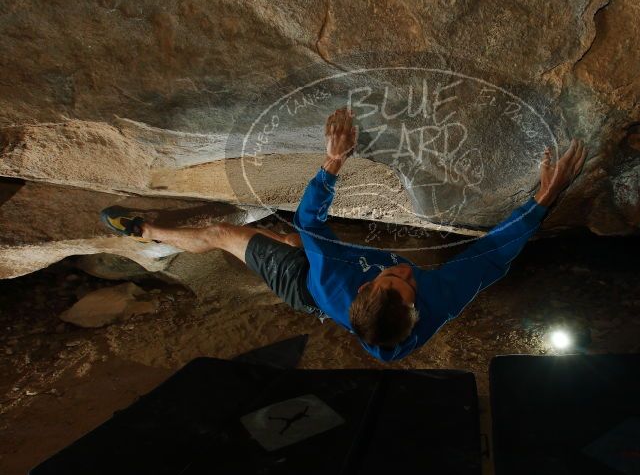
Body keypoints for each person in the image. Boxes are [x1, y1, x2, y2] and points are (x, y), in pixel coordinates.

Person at [101, 108, 586, 362]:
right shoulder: (443, 299)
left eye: (386, 280)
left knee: (226, 232)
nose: (398, 269)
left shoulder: (335, 282)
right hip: (328, 270)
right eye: (394, 280)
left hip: (302, 284)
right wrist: (544, 200)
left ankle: (145, 231)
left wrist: (333, 160)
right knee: (291, 237)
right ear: (415, 310)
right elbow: (493, 253)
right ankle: (176, 234)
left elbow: (311, 221)